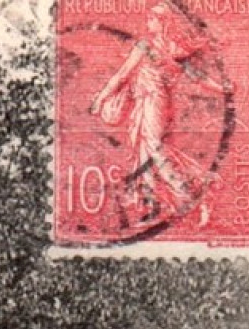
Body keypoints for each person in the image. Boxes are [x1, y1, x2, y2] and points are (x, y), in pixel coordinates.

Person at [90, 1, 227, 225]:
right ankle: (152, 205)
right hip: (143, 103)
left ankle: (196, 195)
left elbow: (196, 75)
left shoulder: (155, 48)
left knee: (154, 149)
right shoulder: (168, 48)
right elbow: (123, 75)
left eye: (152, 19)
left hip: (155, 102)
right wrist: (100, 97)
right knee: (145, 152)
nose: (148, 23)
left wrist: (222, 89)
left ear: (163, 22)